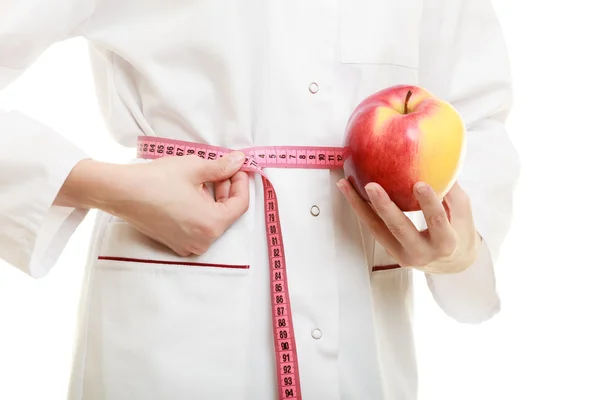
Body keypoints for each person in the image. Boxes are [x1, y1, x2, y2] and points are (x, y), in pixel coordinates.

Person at [0, 0, 520, 399]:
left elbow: (473, 112)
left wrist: (459, 247)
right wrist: (100, 186)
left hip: (365, 319)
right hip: (172, 299)